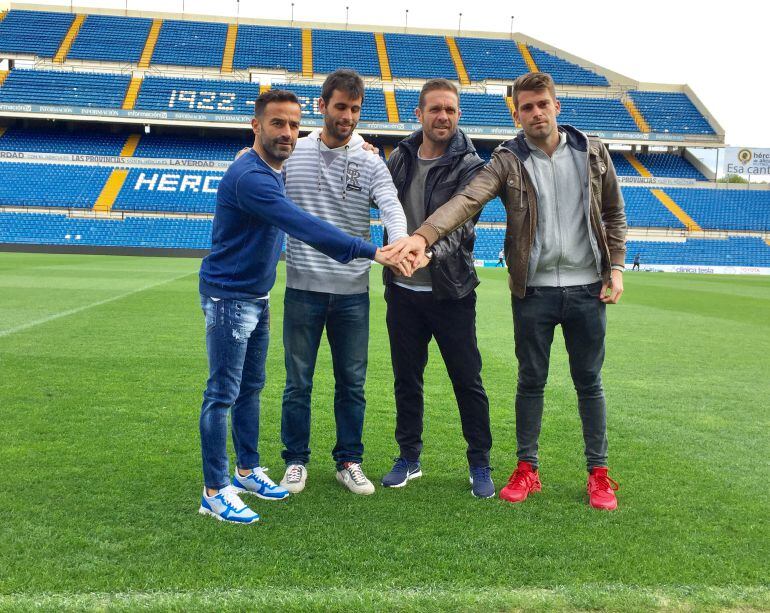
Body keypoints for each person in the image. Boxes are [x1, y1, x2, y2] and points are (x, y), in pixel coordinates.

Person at [385, 72, 627, 510]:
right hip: (532, 289)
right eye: (527, 107)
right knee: (529, 382)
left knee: (589, 382)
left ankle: (599, 473)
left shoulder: (592, 152)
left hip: (588, 287)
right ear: (515, 113)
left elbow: (613, 212)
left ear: (557, 107)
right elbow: (466, 202)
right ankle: (526, 468)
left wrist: (617, 267)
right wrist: (422, 237)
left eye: (542, 104)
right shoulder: (506, 159)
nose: (536, 113)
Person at [197, 89, 406, 524]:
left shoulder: (273, 167)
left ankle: (248, 468)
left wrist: (362, 146)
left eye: (293, 125)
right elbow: (303, 225)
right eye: (277, 123)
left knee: (251, 388)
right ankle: (215, 490)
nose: (287, 132)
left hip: (256, 294)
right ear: (256, 126)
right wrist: (371, 251)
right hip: (229, 297)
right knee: (223, 394)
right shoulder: (253, 176)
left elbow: (378, 192)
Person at [278, 70, 409, 496]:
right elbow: (262, 180)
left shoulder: (371, 160)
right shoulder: (292, 153)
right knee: (298, 382)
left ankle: (348, 461)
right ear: (322, 106)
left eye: (355, 109)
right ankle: (295, 461)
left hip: (353, 294)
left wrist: (401, 242)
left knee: (351, 383)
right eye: (340, 107)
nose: (348, 116)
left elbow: (391, 205)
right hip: (303, 289)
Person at [380, 79, 494, 498]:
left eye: (449, 109)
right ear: (419, 114)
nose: (442, 116)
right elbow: (376, 197)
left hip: (452, 291)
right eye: (434, 110)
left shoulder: (472, 165)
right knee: (406, 379)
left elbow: (463, 221)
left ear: (458, 114)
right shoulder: (401, 157)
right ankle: (409, 457)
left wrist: (429, 250)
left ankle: (480, 463)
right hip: (403, 292)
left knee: (467, 380)